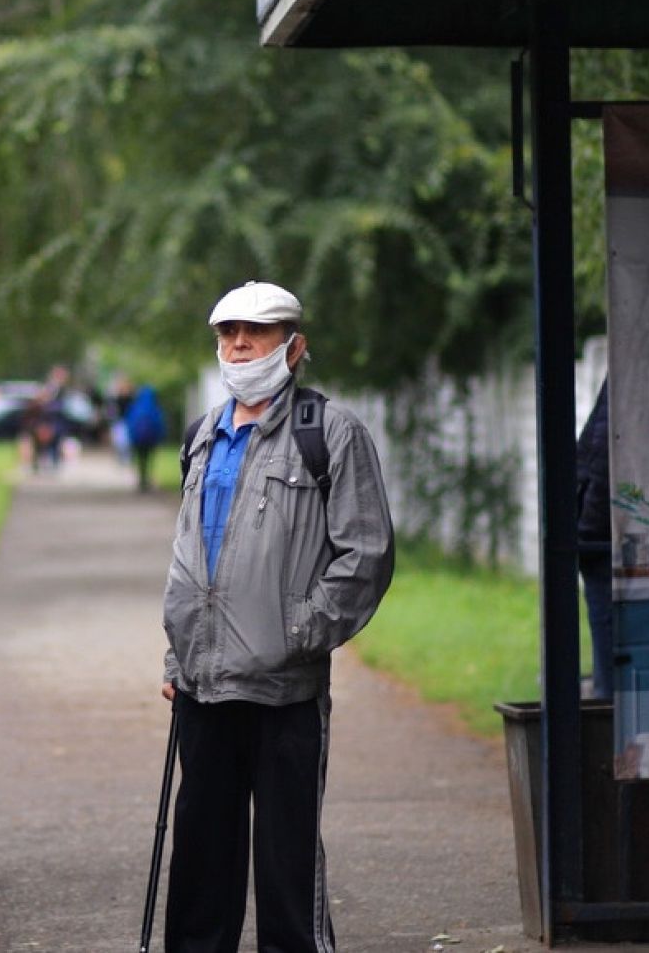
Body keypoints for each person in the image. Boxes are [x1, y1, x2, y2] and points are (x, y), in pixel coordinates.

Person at [158, 280, 395, 952]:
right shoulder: (203, 435)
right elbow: (190, 552)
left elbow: (366, 555)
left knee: (288, 871)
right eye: (227, 334)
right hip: (203, 687)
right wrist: (179, 654)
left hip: (285, 689)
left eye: (255, 334)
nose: (238, 346)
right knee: (201, 865)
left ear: (293, 348)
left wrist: (300, 633)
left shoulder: (331, 433)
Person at [574, 380, 612, 699]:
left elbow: (598, 451)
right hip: (600, 536)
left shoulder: (628, 367)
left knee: (612, 679)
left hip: (600, 536)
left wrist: (585, 527)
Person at [123, 381, 167, 492]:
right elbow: (159, 423)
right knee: (149, 459)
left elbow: (129, 422)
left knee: (140, 459)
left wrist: (131, 437)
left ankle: (141, 480)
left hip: (138, 440)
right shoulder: (154, 407)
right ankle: (147, 479)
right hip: (151, 439)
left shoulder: (136, 406)